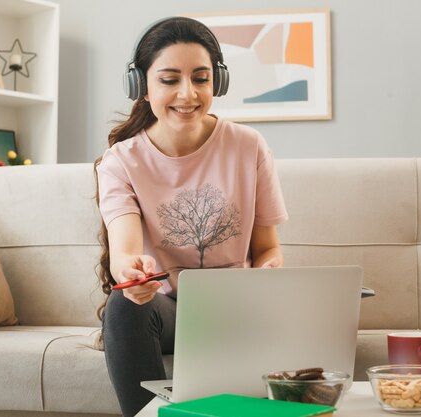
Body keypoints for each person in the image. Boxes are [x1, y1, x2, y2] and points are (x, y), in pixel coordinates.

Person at [94, 16, 288, 417]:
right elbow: (123, 253)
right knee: (124, 306)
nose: (188, 93)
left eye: (200, 78)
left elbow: (267, 247)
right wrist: (133, 273)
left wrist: (270, 274)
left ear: (218, 81)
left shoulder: (248, 146)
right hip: (167, 312)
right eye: (169, 80)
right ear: (141, 87)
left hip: (237, 310)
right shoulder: (121, 162)